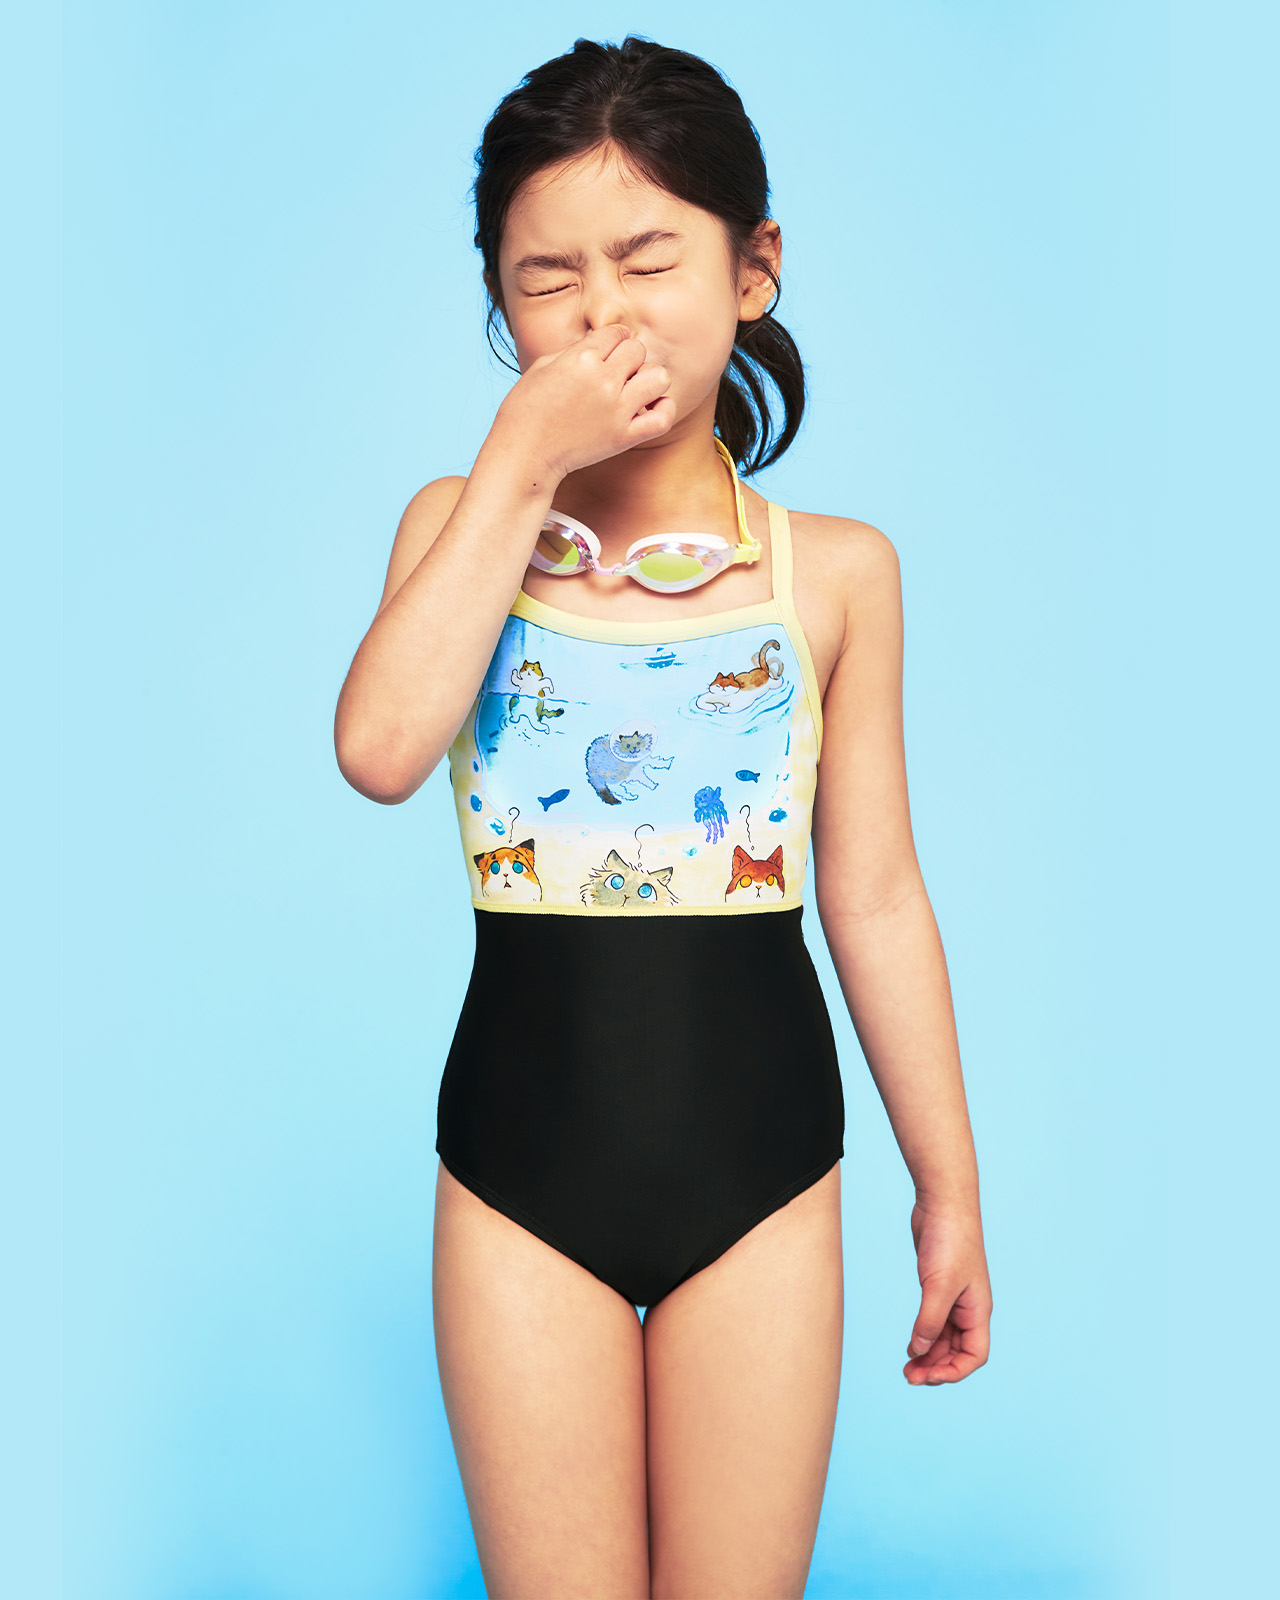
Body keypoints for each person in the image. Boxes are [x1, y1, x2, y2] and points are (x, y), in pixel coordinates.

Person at [335, 35, 991, 1600]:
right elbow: (380, 748)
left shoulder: (837, 574)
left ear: (753, 269)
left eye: (648, 260)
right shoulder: (458, 527)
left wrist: (949, 1187)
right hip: (518, 1176)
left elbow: (876, 896)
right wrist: (520, 460)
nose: (603, 314)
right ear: (501, 309)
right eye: (548, 278)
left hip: (763, 1176)